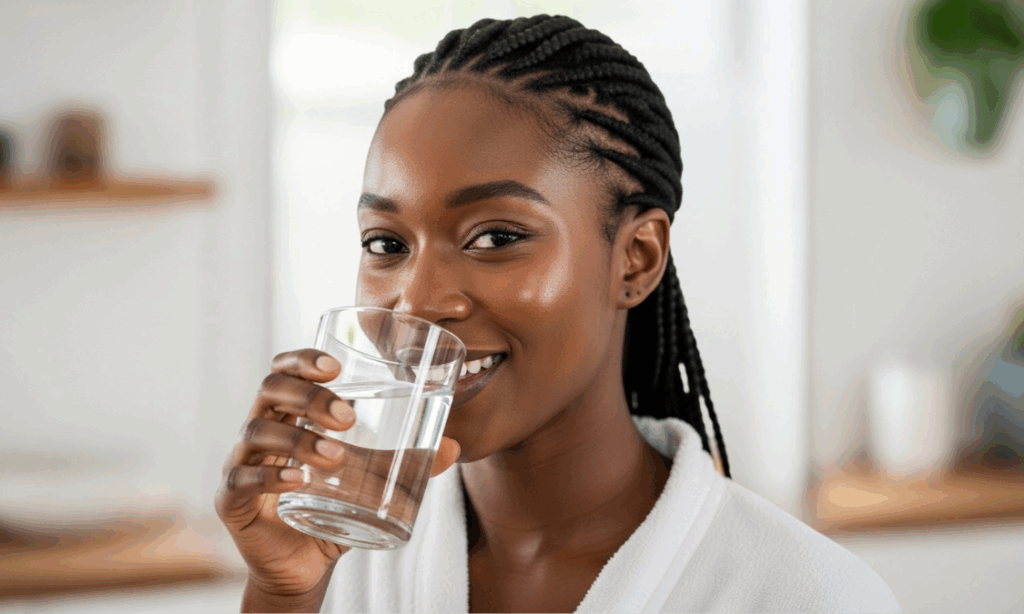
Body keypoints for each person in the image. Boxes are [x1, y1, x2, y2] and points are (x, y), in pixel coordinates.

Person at [216, 15, 902, 613]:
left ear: (634, 259)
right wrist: (281, 594)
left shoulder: (809, 597)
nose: (418, 300)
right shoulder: (347, 562)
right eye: (386, 244)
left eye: (495, 237)